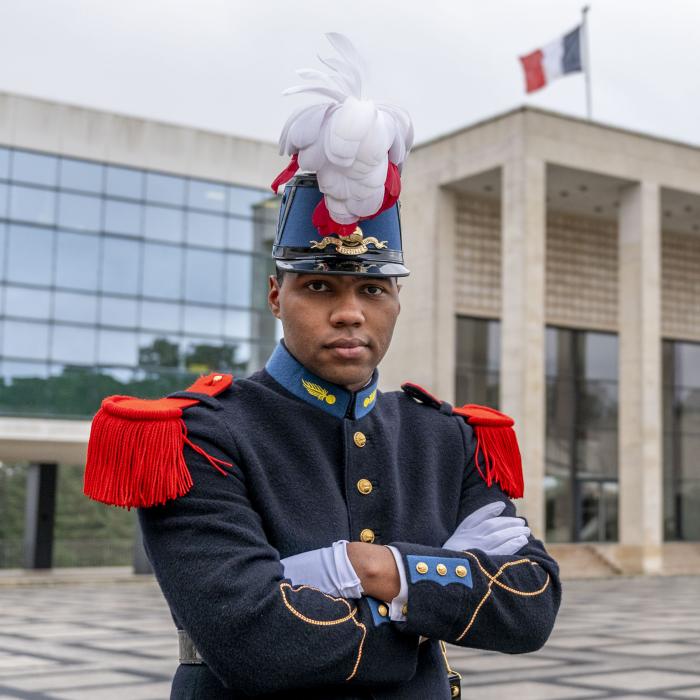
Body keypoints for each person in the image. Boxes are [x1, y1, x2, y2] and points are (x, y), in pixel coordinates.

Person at [84, 34, 561, 699]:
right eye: (319, 288)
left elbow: (531, 602)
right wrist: (426, 607)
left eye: (372, 290)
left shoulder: (445, 438)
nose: (349, 313)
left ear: (397, 300)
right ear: (276, 294)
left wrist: (367, 567)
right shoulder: (201, 435)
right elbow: (257, 641)